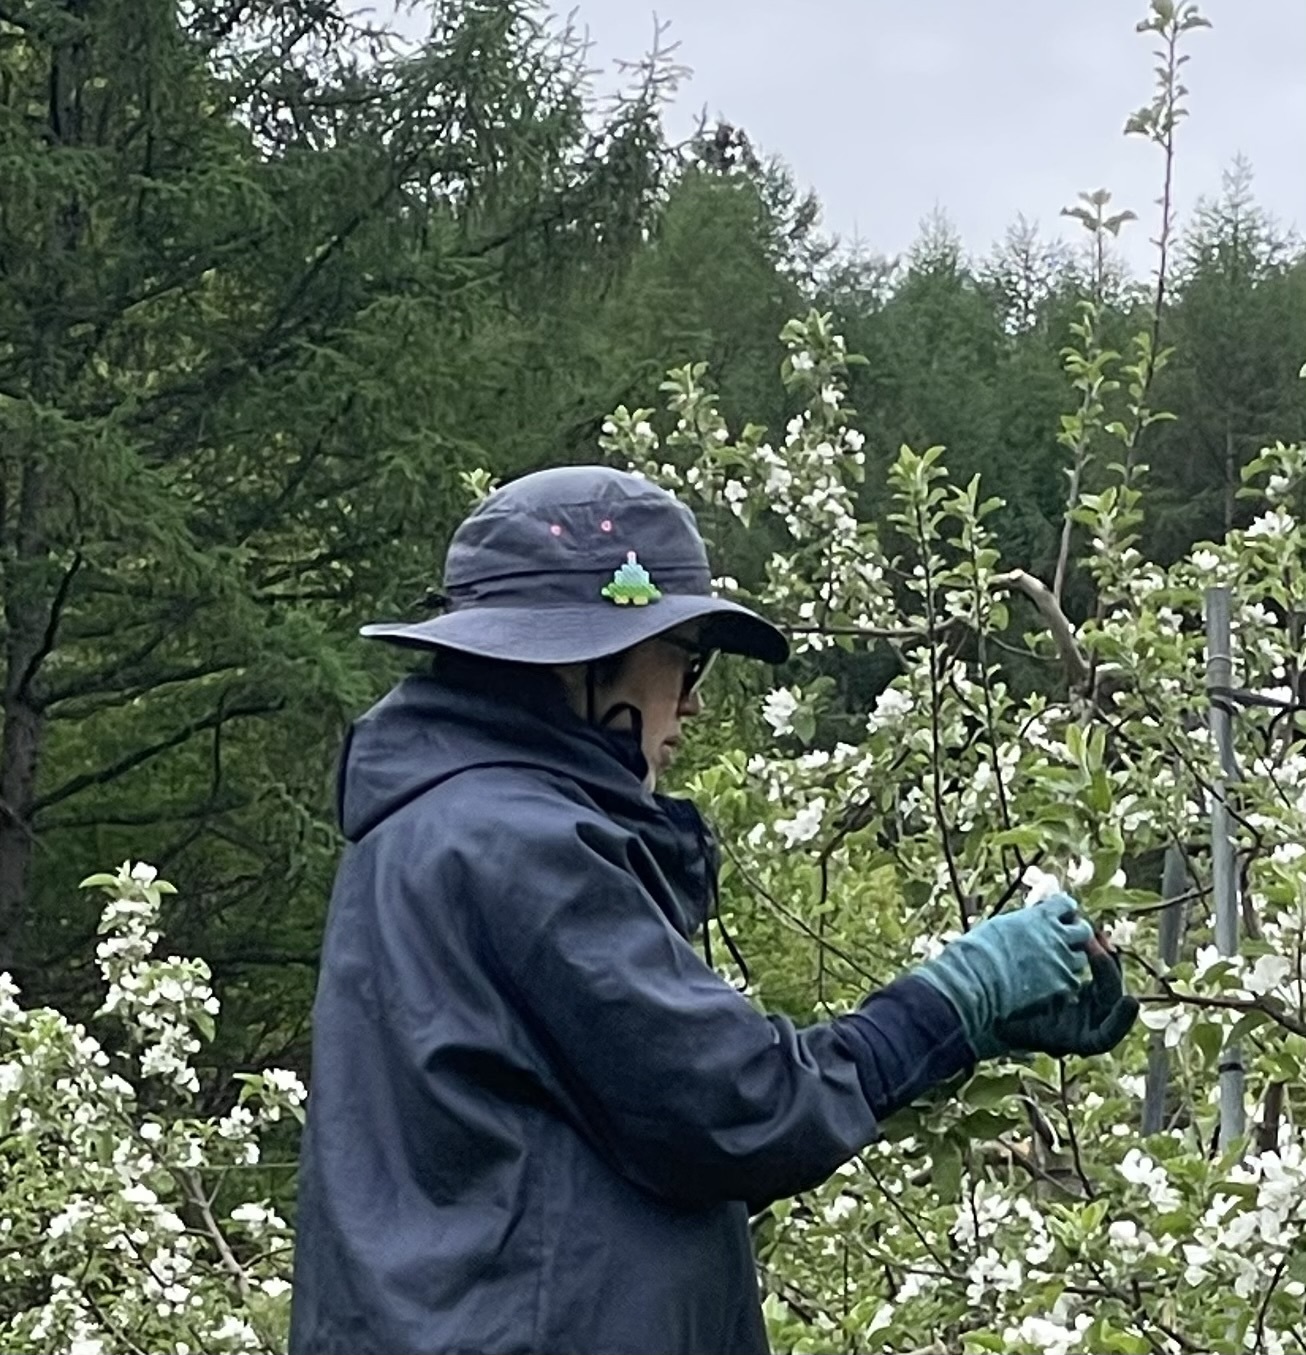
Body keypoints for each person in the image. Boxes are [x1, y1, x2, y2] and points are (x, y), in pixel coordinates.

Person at [288, 466, 1137, 1355]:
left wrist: (953, 1037)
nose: (692, 699)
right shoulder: (517, 841)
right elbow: (740, 1110)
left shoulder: (433, 826)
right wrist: (964, 995)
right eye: (685, 658)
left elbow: (635, 1147)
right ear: (580, 658)